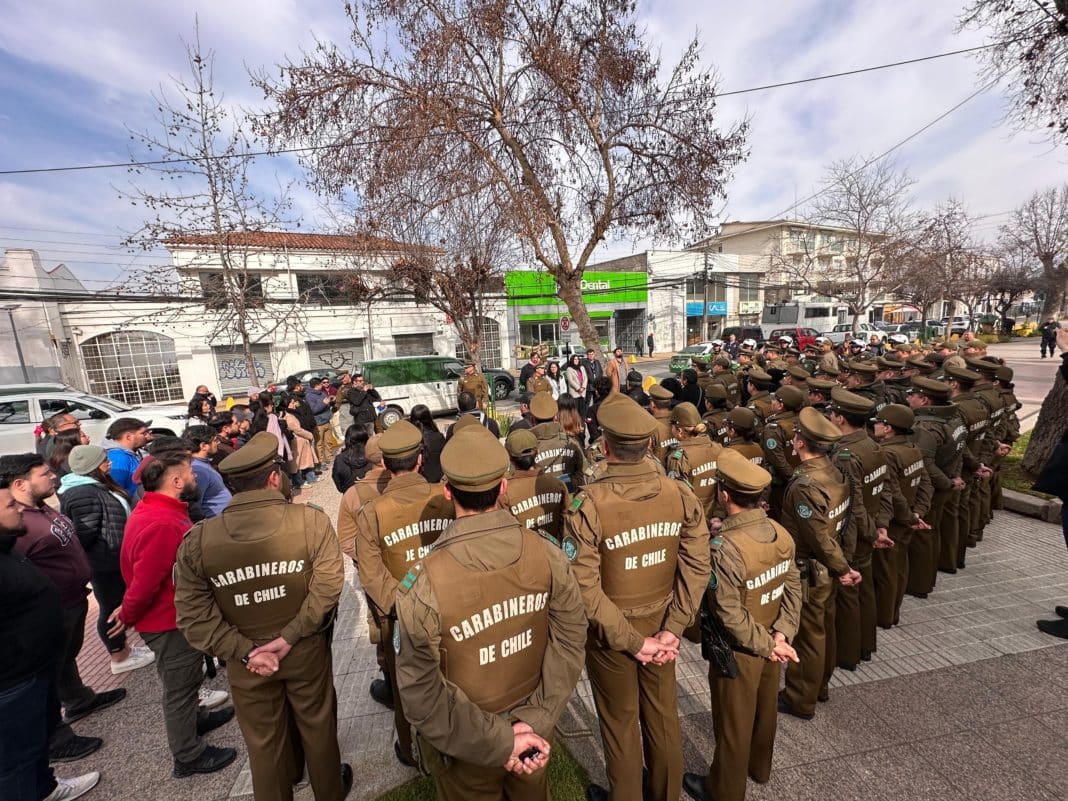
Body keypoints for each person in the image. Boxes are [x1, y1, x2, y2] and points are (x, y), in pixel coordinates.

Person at [393, 423, 588, 801]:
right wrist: (533, 723)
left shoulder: (425, 582)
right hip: (532, 730)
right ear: (503, 486)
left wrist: (502, 739)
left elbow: (420, 692)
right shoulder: (546, 552)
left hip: (467, 744)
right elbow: (570, 639)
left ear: (447, 491)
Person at [174, 432, 352, 801]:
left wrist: (246, 651)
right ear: (273, 478)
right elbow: (328, 586)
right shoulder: (310, 522)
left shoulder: (199, 540)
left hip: (246, 661)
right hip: (303, 649)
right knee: (318, 730)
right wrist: (290, 636)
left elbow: (193, 617)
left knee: (263, 747)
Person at [564, 392, 710, 801]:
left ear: (605, 447)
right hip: (662, 624)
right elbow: (697, 566)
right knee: (663, 716)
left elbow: (584, 585)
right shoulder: (679, 494)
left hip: (613, 633)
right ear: (649, 444)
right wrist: (673, 630)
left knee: (620, 721)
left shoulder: (588, 503)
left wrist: (633, 641)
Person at [108, 450, 237, 778]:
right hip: (168, 621)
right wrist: (128, 614)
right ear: (176, 481)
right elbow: (145, 580)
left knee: (186, 679)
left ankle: (196, 721)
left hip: (171, 615)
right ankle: (188, 755)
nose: (195, 477)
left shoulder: (158, 510)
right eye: (190, 472)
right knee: (180, 686)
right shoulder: (162, 523)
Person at [682, 450, 802, 801]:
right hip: (772, 637)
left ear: (723, 494)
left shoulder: (725, 548)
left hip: (740, 649)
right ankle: (759, 768)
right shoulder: (779, 533)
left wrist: (767, 643)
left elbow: (729, 613)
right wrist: (783, 633)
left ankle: (724, 790)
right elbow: (793, 585)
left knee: (733, 722)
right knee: (765, 710)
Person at [0, 454, 126, 764]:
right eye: (44, 474)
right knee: (47, 672)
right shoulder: (17, 524)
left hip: (70, 601)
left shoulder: (41, 508)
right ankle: (55, 740)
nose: (53, 477)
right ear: (20, 483)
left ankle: (79, 699)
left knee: (66, 657)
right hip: (48, 609)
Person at [354, 421, 455, 766]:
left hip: (399, 618)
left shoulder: (372, 513)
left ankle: (411, 750)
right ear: (420, 459)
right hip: (447, 606)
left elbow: (371, 574)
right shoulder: (443, 497)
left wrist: (402, 608)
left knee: (404, 687)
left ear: (384, 461)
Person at [0, 478, 101, 801]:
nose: (19, 508)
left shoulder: (7, 547)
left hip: (35, 668)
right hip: (13, 680)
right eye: (10, 506)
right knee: (17, 760)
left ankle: (47, 787)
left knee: (36, 746)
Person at [777, 408, 861, 719]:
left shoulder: (805, 485)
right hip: (828, 566)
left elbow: (817, 536)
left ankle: (800, 697)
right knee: (824, 629)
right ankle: (819, 686)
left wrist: (843, 569)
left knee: (808, 635)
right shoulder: (836, 471)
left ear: (800, 442)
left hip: (810, 570)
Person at [57, 446, 154, 676]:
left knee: (117, 604)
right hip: (106, 563)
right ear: (93, 466)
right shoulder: (82, 494)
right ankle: (118, 654)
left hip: (115, 558)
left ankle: (126, 649)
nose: (109, 463)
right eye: (104, 461)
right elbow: (85, 534)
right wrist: (106, 553)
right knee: (111, 607)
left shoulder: (95, 486)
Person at [826, 387, 895, 670]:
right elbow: (885, 490)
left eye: (832, 414)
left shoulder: (844, 455)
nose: (829, 417)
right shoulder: (873, 446)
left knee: (847, 598)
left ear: (840, 419)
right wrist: (881, 527)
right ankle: (866, 645)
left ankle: (848, 654)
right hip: (869, 531)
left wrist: (870, 532)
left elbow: (852, 503)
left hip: (852, 535)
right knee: (864, 592)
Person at [871, 405, 932, 628]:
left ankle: (884, 616)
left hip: (896, 520)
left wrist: (909, 517)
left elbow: (892, 492)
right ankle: (893, 611)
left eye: (878, 422)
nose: (875, 425)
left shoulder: (887, 453)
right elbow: (925, 483)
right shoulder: (912, 448)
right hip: (908, 517)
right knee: (899, 566)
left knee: (886, 570)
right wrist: (919, 513)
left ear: (888, 429)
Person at [905, 377, 966, 600]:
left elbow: (924, 464)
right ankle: (926, 579)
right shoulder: (953, 417)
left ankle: (919, 584)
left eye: (913, 395)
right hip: (946, 482)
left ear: (924, 399)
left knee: (922, 537)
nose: (909, 398)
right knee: (932, 532)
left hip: (931, 489)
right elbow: (960, 449)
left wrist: (948, 482)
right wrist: (954, 477)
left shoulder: (925, 428)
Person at [499, 429, 570, 543]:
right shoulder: (557, 485)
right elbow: (566, 524)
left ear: (509, 457)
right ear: (538, 451)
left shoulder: (505, 491)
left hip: (523, 555)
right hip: (554, 553)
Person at [663, 402, 723, 524]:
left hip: (692, 522)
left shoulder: (679, 457)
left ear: (679, 430)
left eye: (672, 426)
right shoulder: (717, 448)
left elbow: (678, 498)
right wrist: (719, 514)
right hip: (714, 519)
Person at [529, 393, 587, 491]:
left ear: (532, 419)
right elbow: (584, 473)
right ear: (555, 417)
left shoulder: (527, 448)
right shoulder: (571, 443)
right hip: (571, 500)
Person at [182, 425, 232, 519]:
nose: (218, 443)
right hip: (214, 525)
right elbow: (195, 506)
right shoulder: (198, 471)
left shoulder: (202, 464)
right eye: (215, 440)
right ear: (203, 446)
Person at [104, 417, 149, 500]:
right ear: (128, 437)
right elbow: (116, 489)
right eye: (143, 433)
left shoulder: (128, 454)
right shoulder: (119, 457)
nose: (148, 436)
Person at [281, 395, 318, 487]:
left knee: (305, 461)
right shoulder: (288, 416)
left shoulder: (294, 413)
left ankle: (311, 478)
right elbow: (296, 429)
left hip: (302, 440)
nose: (294, 404)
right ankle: (298, 482)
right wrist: (309, 435)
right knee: (296, 464)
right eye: (292, 403)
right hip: (297, 441)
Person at [332, 425, 371, 493]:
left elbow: (339, 484)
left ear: (347, 439)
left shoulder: (340, 459)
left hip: (351, 496)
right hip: (373, 495)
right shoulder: (372, 455)